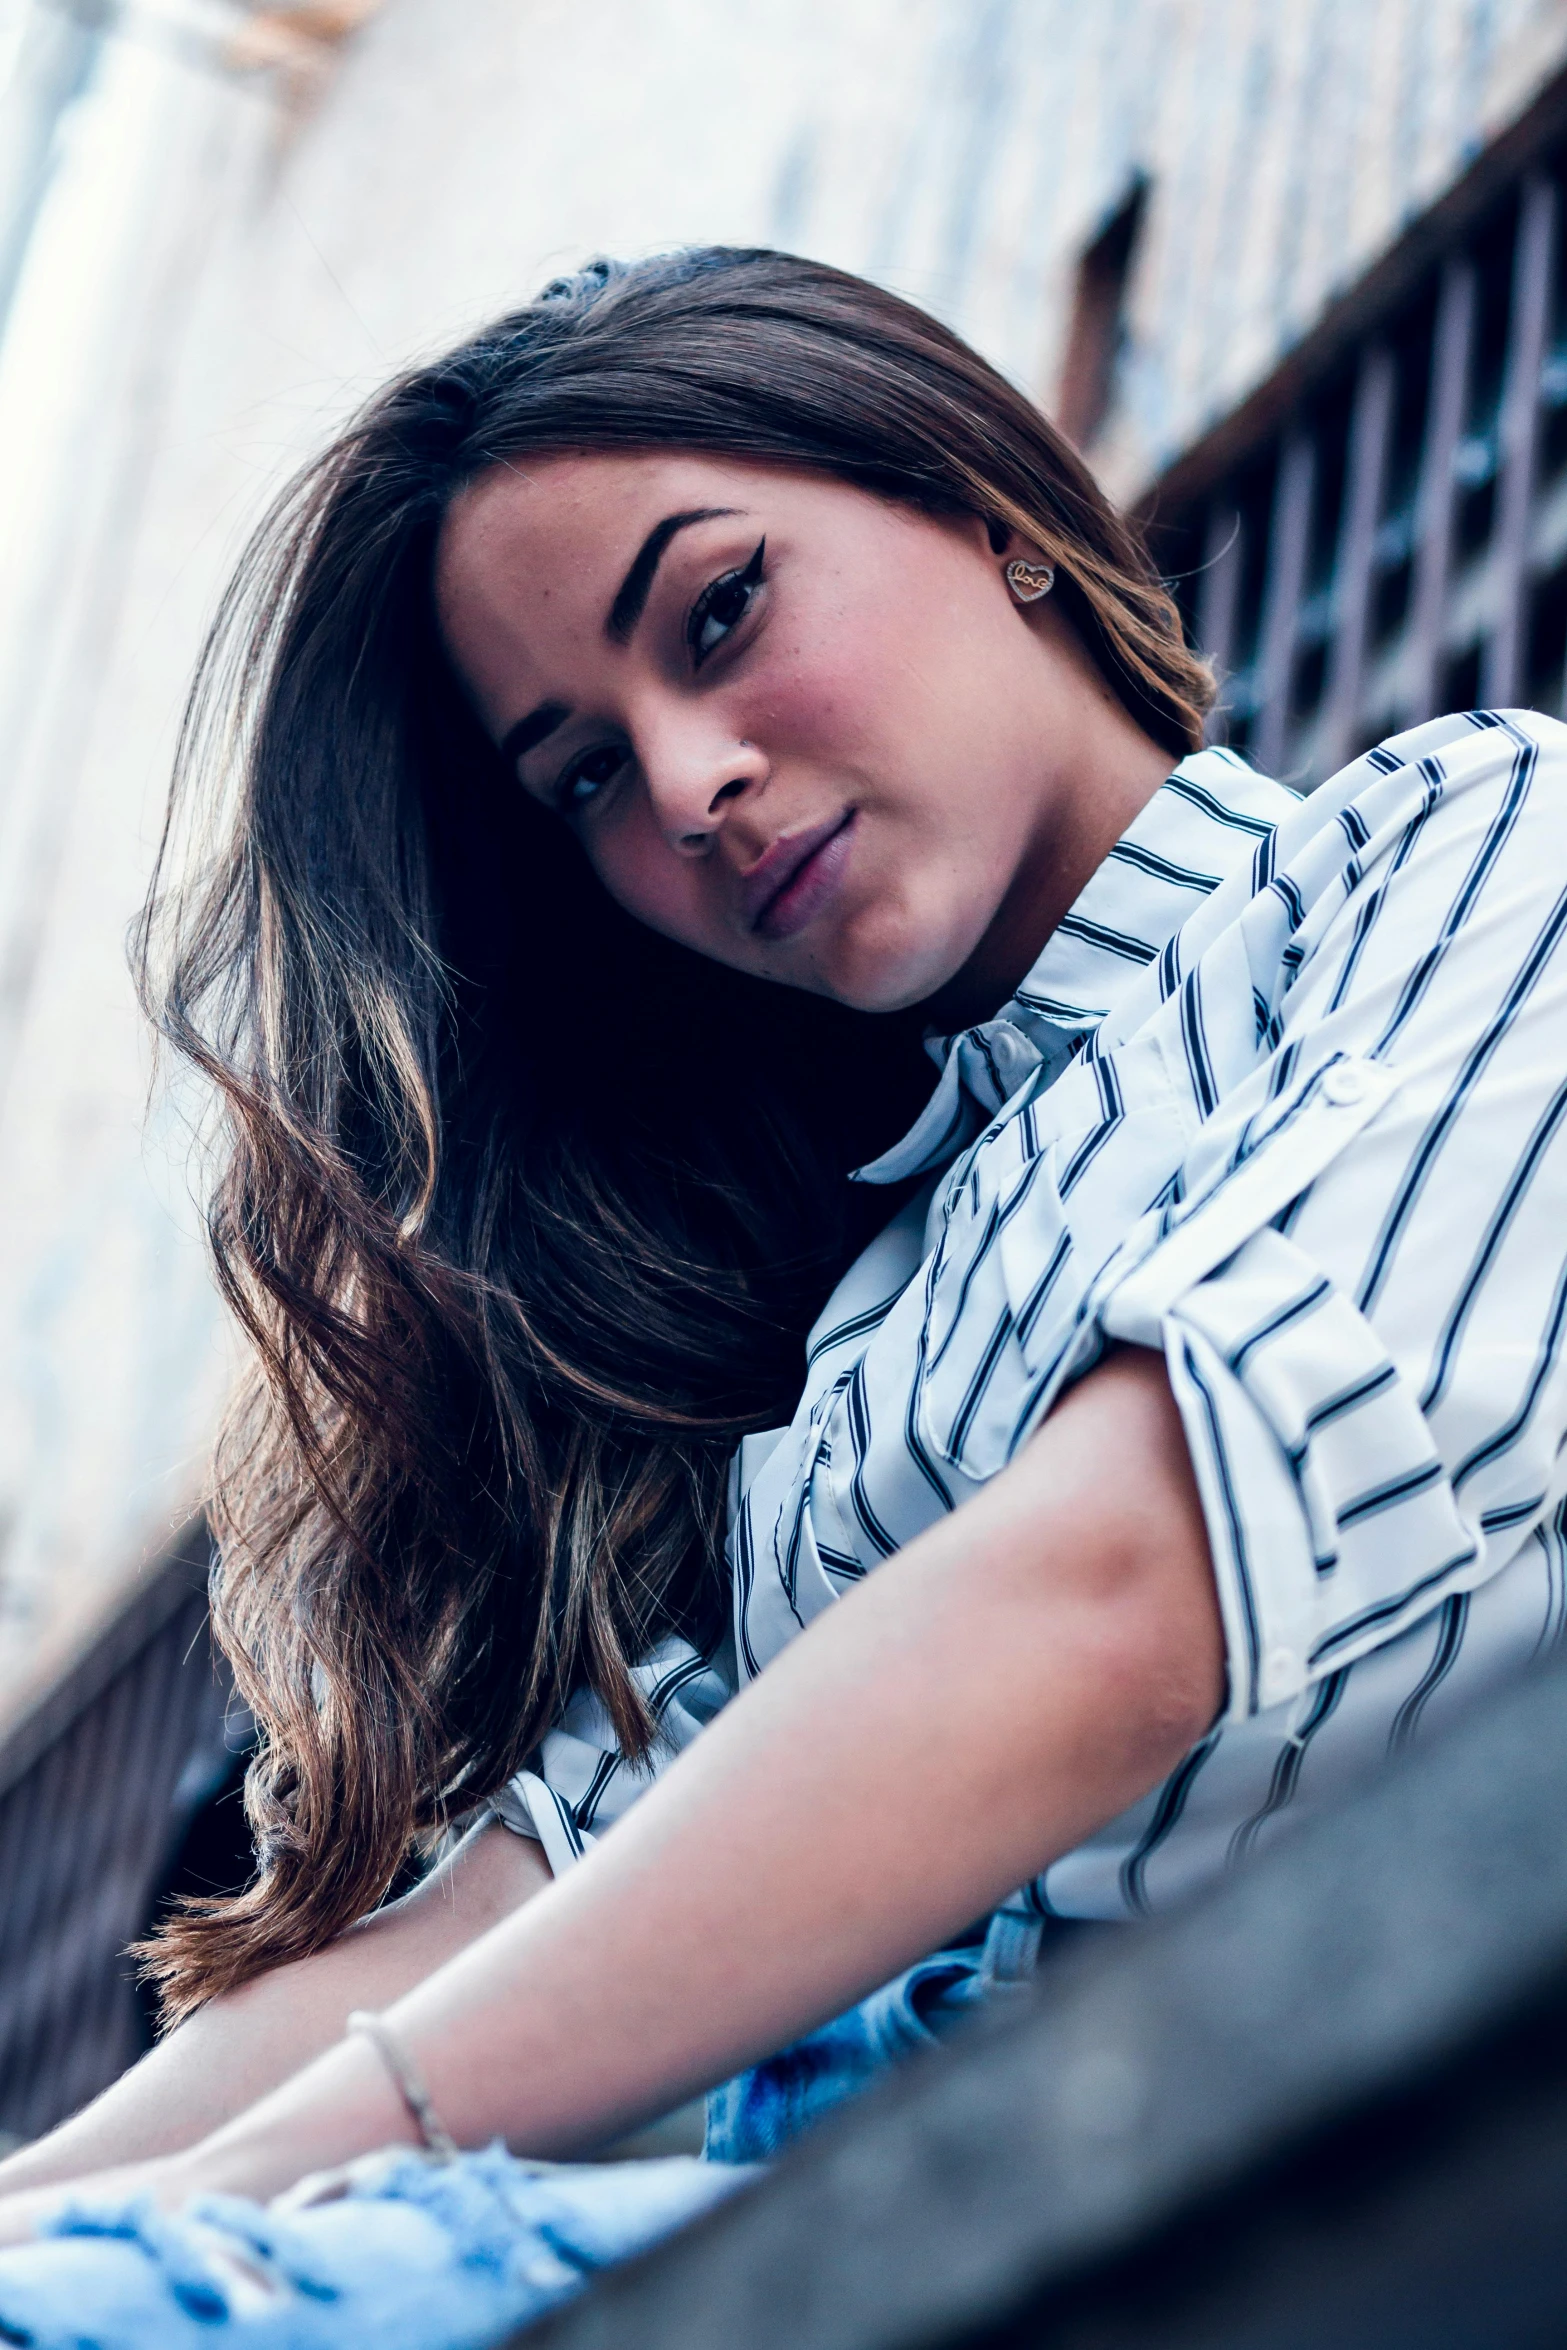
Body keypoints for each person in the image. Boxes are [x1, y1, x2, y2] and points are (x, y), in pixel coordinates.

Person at [1, 246, 1565, 2340]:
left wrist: (252, 2194)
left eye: (719, 611)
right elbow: (505, 1910)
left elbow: (1123, 1592)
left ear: (983, 502)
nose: (683, 783)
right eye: (581, 775)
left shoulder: (1464, 860)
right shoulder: (851, 1341)